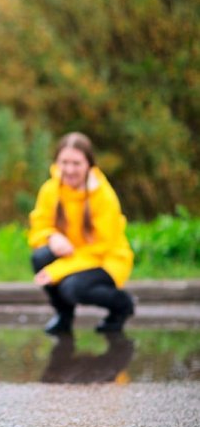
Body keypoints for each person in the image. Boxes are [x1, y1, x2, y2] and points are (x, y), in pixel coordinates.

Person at [28, 132, 134, 335]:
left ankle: (122, 305)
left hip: (106, 261)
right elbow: (37, 229)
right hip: (75, 257)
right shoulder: (50, 190)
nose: (69, 169)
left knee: (71, 287)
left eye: (76, 163)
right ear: (56, 162)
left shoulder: (103, 196)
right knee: (40, 256)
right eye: (64, 162)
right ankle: (64, 317)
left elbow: (102, 247)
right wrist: (52, 236)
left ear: (89, 165)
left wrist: (57, 270)